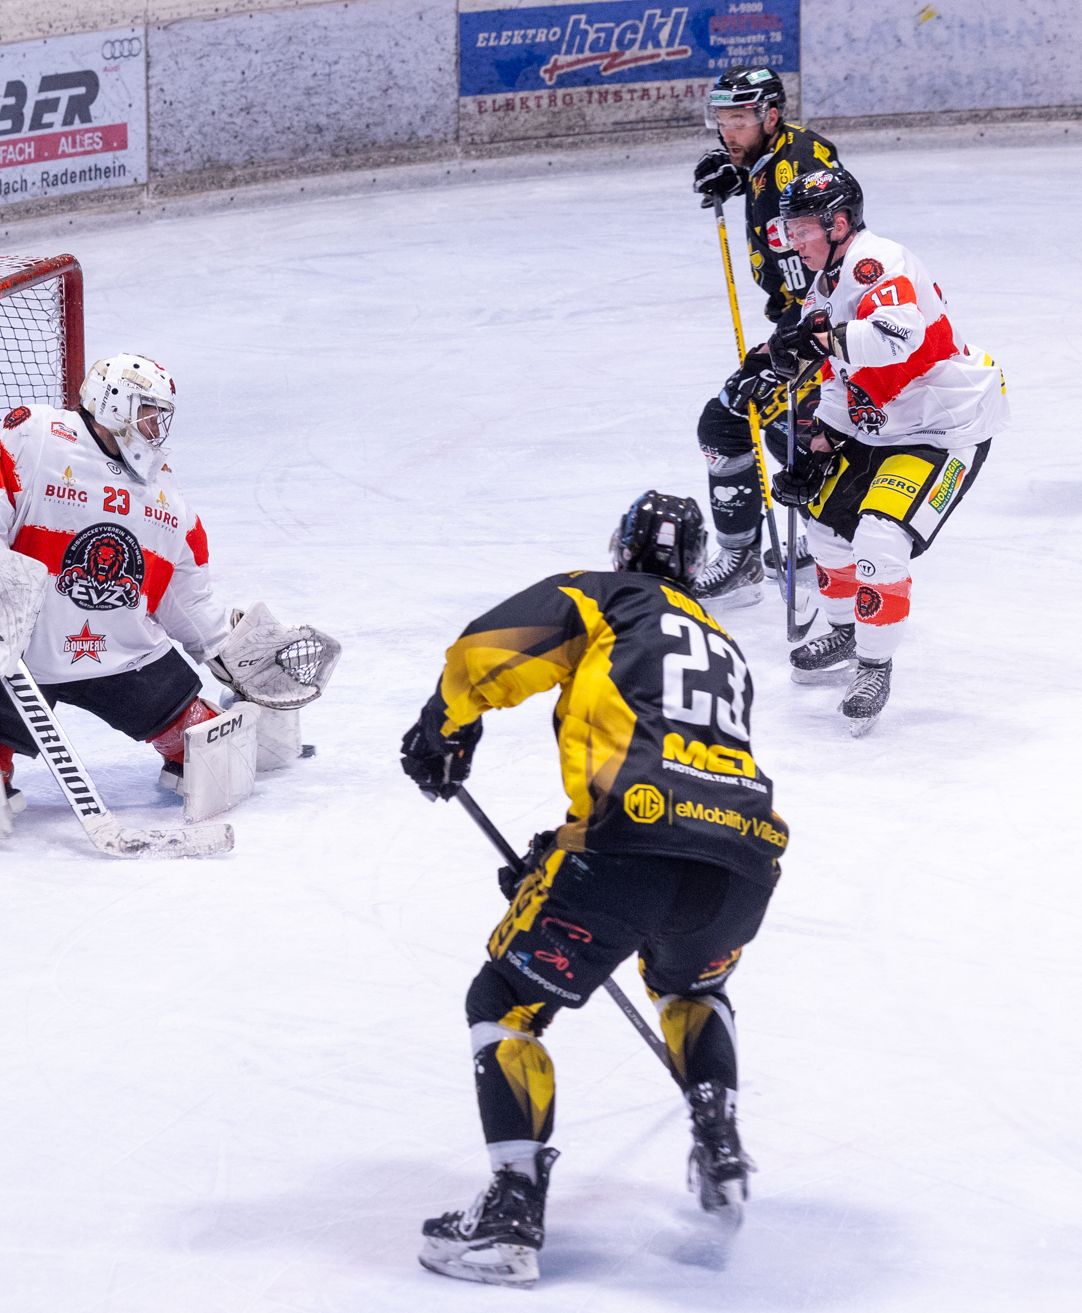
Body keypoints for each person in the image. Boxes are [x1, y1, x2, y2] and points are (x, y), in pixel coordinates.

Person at [399, 492, 789, 1289]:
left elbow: (484, 652)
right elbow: (679, 772)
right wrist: (557, 858)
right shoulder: (723, 644)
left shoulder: (604, 597)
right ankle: (719, 1141)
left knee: (503, 1001)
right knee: (691, 986)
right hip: (743, 866)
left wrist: (445, 726)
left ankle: (510, 1214)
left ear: (623, 550)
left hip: (627, 851)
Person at [0, 353, 335, 829]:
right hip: (18, 646)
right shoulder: (37, 434)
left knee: (217, 753)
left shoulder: (165, 491)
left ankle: (206, 736)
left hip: (121, 655)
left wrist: (225, 647)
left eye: (161, 416)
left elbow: (184, 595)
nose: (156, 427)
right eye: (148, 411)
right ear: (113, 402)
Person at [763, 166, 1009, 734]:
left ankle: (874, 666)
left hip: (942, 426)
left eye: (802, 229)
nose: (793, 241)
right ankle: (847, 632)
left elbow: (898, 334)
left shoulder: (877, 262)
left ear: (838, 223)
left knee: (879, 538)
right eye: (789, 229)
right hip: (880, 425)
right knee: (824, 525)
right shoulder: (824, 286)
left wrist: (820, 340)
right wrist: (821, 439)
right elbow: (837, 375)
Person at [690, 66, 841, 606]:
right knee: (768, 425)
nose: (727, 131)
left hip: (822, 332)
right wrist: (739, 172)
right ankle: (812, 540)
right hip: (801, 325)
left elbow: (831, 260)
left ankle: (809, 546)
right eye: (722, 120)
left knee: (751, 424)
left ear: (770, 116)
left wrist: (796, 344)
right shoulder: (774, 158)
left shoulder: (797, 167)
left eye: (739, 121)